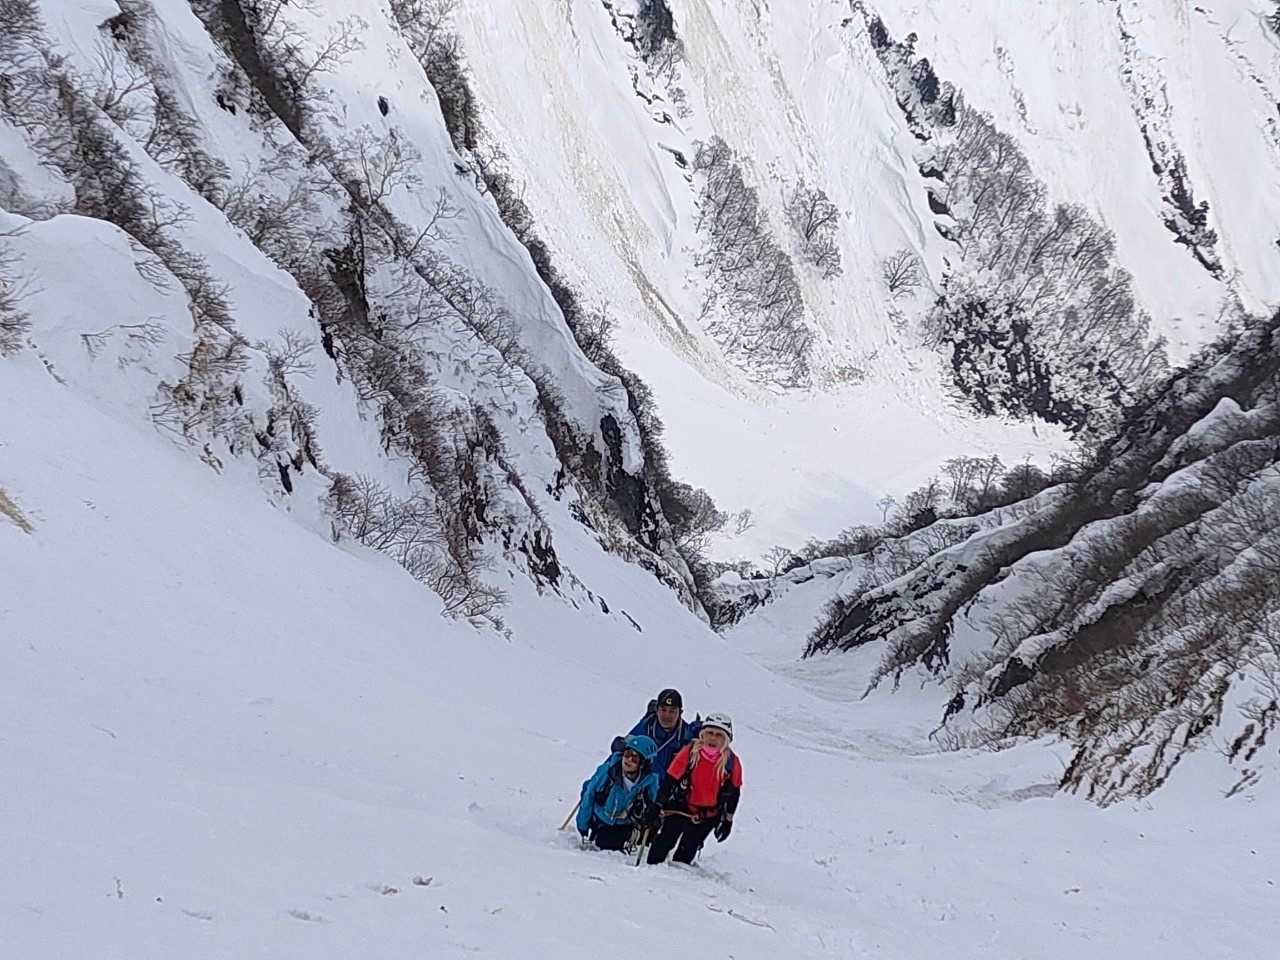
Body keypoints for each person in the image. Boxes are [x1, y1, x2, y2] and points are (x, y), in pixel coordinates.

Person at [646, 712, 742, 866]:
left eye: (719, 735)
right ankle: (649, 871)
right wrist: (657, 804)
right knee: (663, 843)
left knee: (686, 852)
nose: (713, 738)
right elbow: (670, 780)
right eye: (709, 733)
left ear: (726, 740)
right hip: (680, 807)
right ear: (702, 734)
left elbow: (734, 792)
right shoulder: (690, 752)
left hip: (707, 815)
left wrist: (727, 820)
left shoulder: (732, 763)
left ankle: (677, 878)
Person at [576, 734, 661, 851]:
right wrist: (583, 826)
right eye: (627, 754)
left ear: (643, 763)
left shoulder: (649, 781)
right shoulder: (608, 771)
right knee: (605, 842)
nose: (628, 760)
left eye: (635, 758)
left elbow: (652, 802)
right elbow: (589, 795)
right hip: (600, 819)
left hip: (625, 823)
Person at [621, 688, 700, 787]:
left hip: (666, 790)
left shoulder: (687, 736)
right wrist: (619, 746)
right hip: (640, 786)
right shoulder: (646, 726)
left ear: (680, 712)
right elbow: (626, 746)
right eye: (663, 710)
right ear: (657, 710)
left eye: (672, 711)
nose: (667, 715)